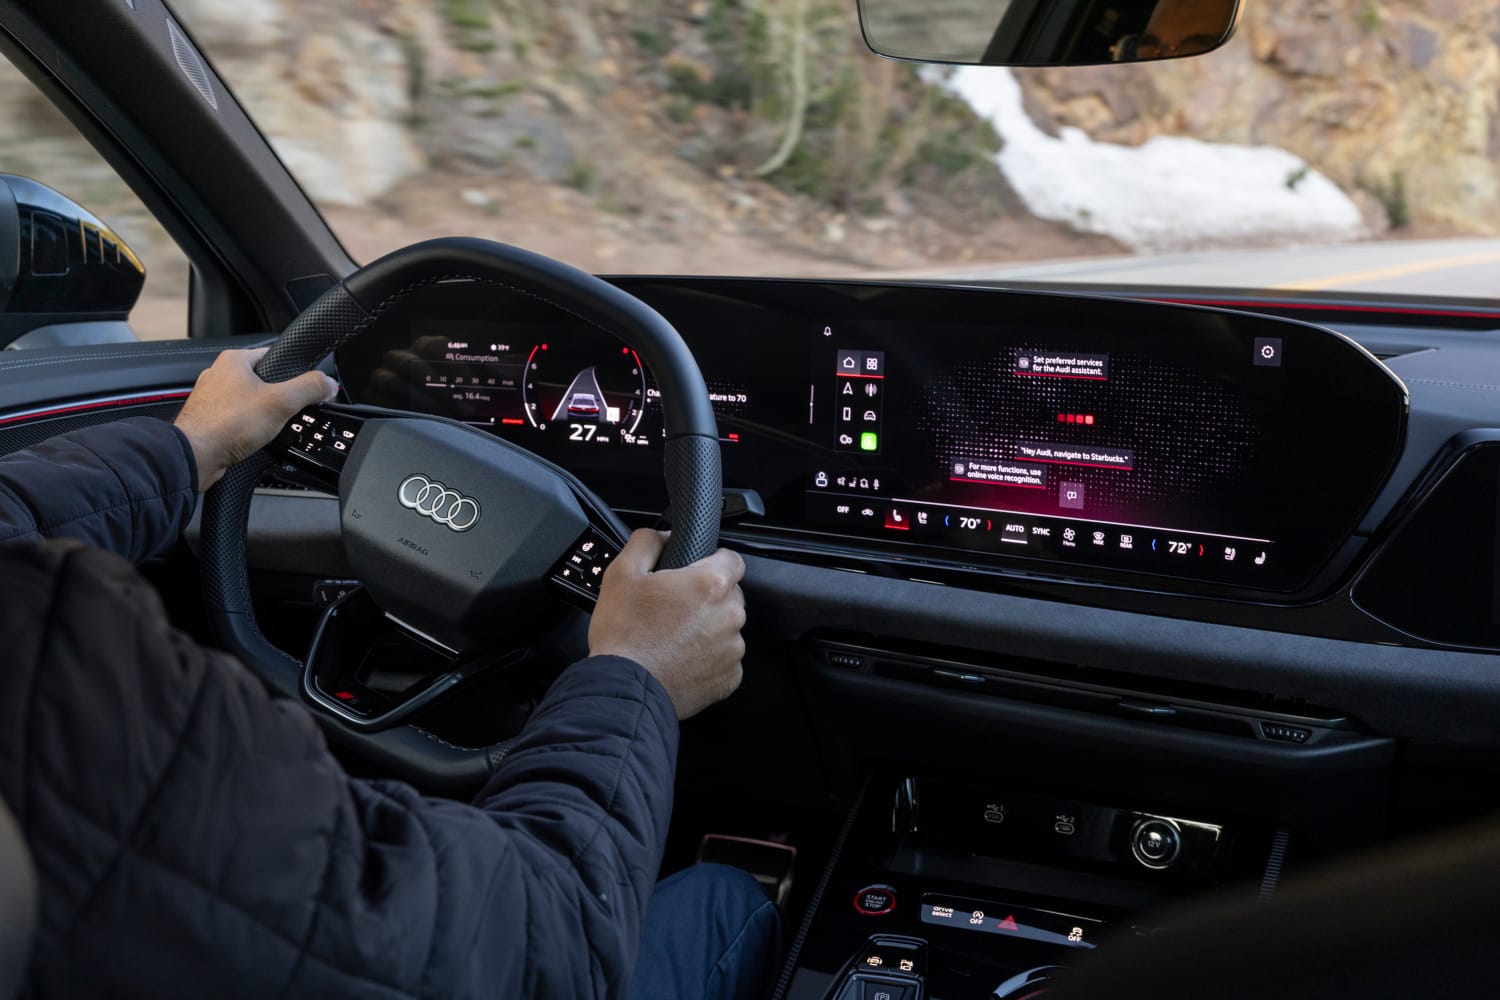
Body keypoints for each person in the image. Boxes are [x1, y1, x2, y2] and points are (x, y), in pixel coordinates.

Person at [0, 347, 778, 998]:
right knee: (727, 898)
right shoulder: (61, 681)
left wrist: (193, 446)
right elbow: (545, 943)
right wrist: (637, 672)